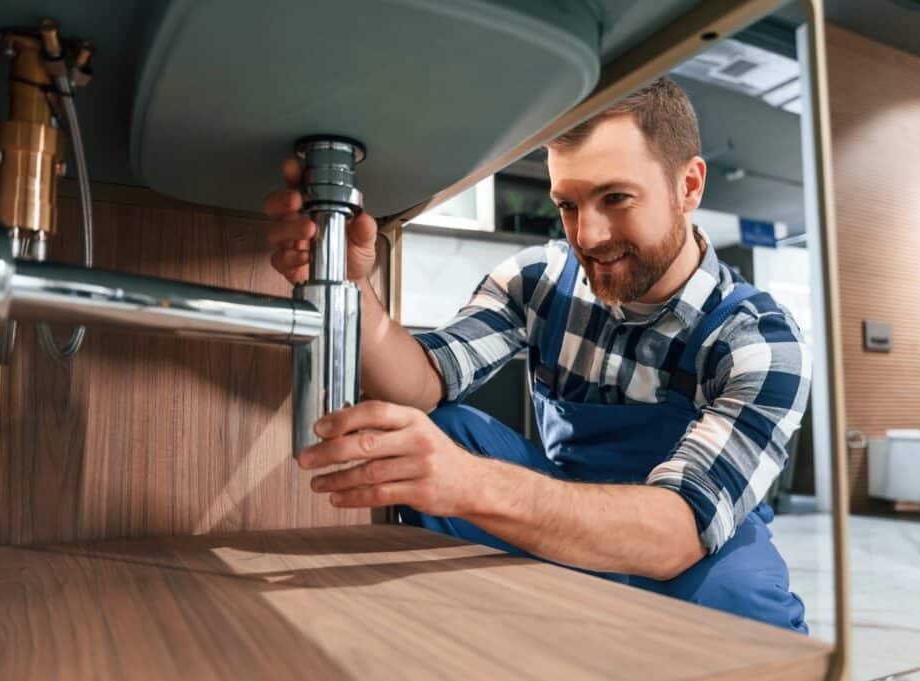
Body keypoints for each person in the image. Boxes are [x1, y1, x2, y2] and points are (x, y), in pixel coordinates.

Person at [265, 77, 810, 633]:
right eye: (568, 205)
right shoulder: (540, 280)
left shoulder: (760, 340)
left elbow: (678, 530)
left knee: (742, 605)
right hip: (560, 505)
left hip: (688, 542)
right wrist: (352, 288)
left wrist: (473, 484)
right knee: (442, 430)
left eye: (615, 198)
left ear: (688, 186)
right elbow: (423, 381)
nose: (588, 235)